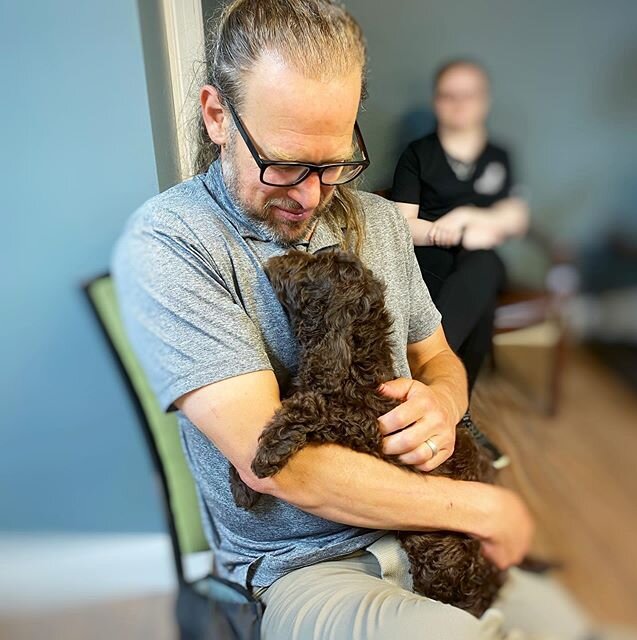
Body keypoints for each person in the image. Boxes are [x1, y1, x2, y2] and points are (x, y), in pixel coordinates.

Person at [112, 2, 591, 638]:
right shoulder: (172, 244)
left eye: (333, 162)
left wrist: (443, 406)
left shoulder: (379, 221)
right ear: (217, 116)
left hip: (432, 526)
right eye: (284, 163)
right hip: (306, 565)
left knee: (573, 629)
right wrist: (480, 504)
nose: (311, 195)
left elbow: (439, 357)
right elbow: (278, 463)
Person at [392, 60, 530, 393]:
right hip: (430, 256)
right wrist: (450, 230)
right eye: (448, 95)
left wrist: (466, 217)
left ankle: (424, 376)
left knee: (483, 263)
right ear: (436, 101)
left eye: (468, 95)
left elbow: (517, 217)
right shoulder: (418, 154)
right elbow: (401, 224)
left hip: (480, 257)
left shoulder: (499, 156)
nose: (458, 104)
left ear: (484, 100)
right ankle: (456, 403)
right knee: (481, 280)